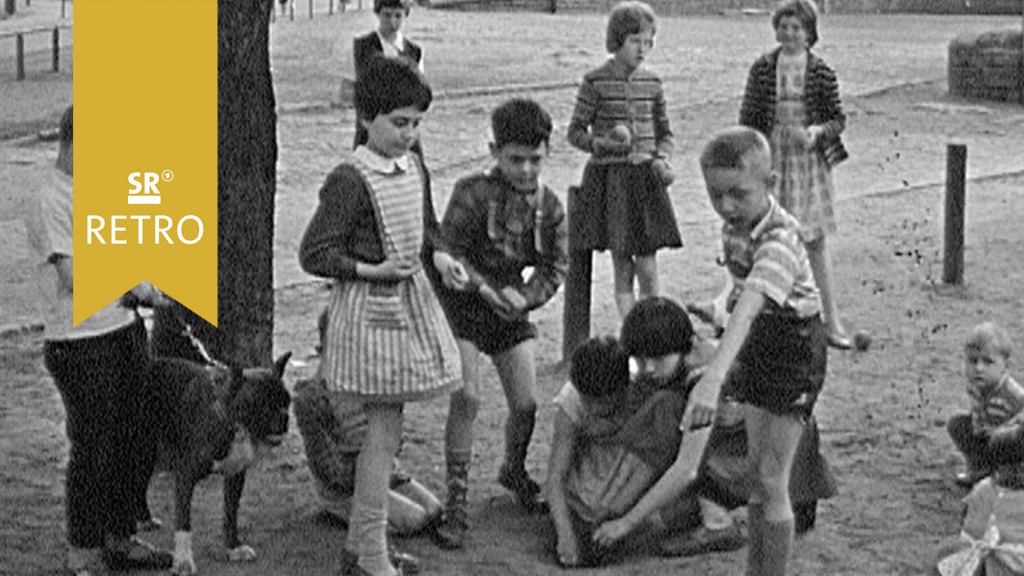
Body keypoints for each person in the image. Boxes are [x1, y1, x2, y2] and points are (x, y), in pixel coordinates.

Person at [592, 128, 829, 576]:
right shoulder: (736, 227)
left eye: (738, 194)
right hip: (759, 341)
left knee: (773, 483)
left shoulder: (778, 240)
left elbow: (754, 304)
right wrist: (720, 310)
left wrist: (715, 376)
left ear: (771, 183)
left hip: (792, 353)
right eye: (716, 195)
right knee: (759, 480)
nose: (726, 206)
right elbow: (740, 296)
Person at [298, 57, 463, 576]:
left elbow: (427, 226)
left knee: (387, 435)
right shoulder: (351, 178)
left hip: (407, 307)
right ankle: (369, 553)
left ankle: (363, 549)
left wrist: (439, 256)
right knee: (381, 435)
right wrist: (371, 270)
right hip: (369, 314)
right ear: (367, 118)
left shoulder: (413, 166)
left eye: (416, 124)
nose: (409, 135)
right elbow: (314, 253)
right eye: (399, 123)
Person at [28, 106, 172, 576]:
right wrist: (130, 285)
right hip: (78, 341)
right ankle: (83, 549)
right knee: (94, 446)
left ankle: (120, 534)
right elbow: (71, 275)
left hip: (123, 329)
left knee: (136, 438)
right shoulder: (50, 199)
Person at [429, 98, 568, 549]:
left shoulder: (551, 207)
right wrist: (483, 288)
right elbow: (448, 250)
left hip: (510, 306)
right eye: (514, 159)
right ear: (494, 151)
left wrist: (525, 297)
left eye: (535, 159)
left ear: (548, 152)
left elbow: (554, 268)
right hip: (464, 305)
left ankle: (513, 468)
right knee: (467, 397)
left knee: (526, 404)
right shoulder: (472, 192)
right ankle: (456, 498)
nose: (525, 169)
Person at [738, 0, 852, 349]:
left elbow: (837, 119)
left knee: (814, 242)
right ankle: (751, 321)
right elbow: (749, 116)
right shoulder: (762, 68)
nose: (789, 33)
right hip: (773, 160)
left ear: (809, 33)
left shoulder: (821, 71)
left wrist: (816, 133)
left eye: (796, 28)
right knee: (765, 236)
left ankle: (832, 321)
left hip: (808, 164)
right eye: (784, 26)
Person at [292, 310, 442, 574]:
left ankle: (371, 525)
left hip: (382, 473)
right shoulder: (310, 397)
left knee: (434, 510)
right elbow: (329, 470)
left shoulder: (365, 381)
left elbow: (393, 438)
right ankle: (362, 537)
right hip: (345, 487)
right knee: (415, 519)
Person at [567, 0, 682, 319]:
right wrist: (603, 144)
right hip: (611, 182)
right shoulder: (595, 81)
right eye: (635, 41)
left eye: (648, 42)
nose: (643, 49)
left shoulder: (653, 83)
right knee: (622, 265)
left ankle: (652, 327)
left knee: (648, 264)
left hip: (645, 181)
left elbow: (666, 133)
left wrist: (662, 158)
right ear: (617, 40)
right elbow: (575, 133)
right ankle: (632, 329)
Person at [932, 419, 1024, 576]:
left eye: (1021, 466)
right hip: (993, 559)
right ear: (996, 467)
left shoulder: (986, 490)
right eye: (1011, 467)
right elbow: (972, 532)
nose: (1017, 472)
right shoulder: (986, 490)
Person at [947, 322, 1024, 487]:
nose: (979, 368)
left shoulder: (1011, 393)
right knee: (957, 425)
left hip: (1009, 443)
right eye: (973, 361)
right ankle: (980, 470)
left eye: (988, 362)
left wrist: (1009, 429)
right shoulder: (975, 386)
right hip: (988, 433)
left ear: (1005, 367)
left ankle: (1009, 476)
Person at [352, 0, 425, 151]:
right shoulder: (362, 47)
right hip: (372, 131)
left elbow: (419, 93)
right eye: (387, 15)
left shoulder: (414, 52)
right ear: (377, 14)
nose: (392, 22)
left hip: (404, 132)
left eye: (398, 16)